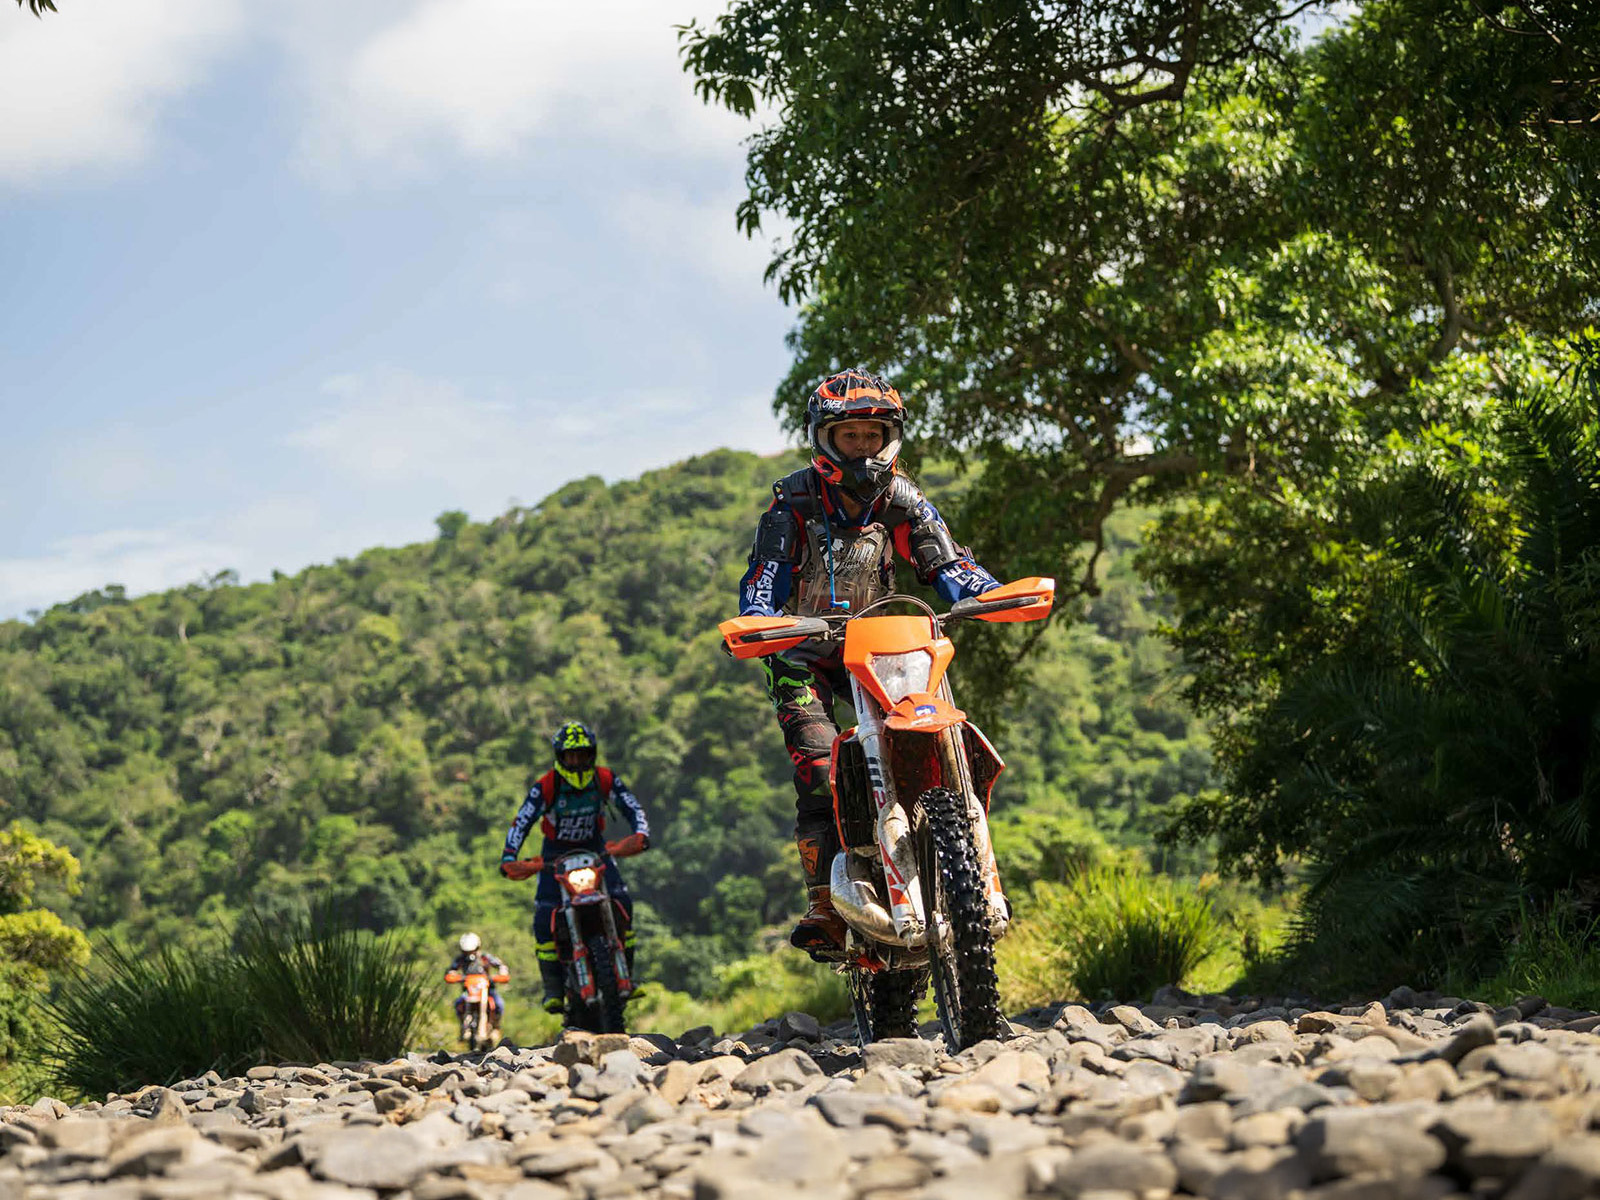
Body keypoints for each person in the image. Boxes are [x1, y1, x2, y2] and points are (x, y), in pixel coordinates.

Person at [736, 368, 1001, 955]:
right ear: (824, 439)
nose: (861, 447)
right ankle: (824, 904)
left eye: (872, 435)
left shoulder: (902, 499)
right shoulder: (792, 503)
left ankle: (965, 869)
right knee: (817, 766)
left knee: (926, 733)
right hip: (799, 650)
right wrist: (758, 617)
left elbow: (946, 563)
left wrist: (986, 593)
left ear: (890, 438)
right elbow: (765, 576)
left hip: (877, 643)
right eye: (849, 435)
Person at [499, 720, 651, 1013]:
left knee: (622, 902)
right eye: (571, 756)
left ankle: (626, 975)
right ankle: (553, 989)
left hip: (595, 850)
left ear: (592, 754)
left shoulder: (604, 779)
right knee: (544, 917)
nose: (577, 761)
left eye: (582, 755)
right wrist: (509, 856)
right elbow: (522, 821)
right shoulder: (547, 786)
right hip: (555, 855)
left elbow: (632, 806)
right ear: (560, 757)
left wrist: (641, 833)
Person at [444, 932, 509, 1032]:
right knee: (458, 1004)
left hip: (487, 990)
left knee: (499, 1004)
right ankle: (463, 1026)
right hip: (469, 991)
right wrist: (456, 977)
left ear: (477, 948)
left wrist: (501, 974)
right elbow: (451, 971)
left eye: (471, 951)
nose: (469, 954)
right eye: (466, 952)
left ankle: (495, 1026)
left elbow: (500, 966)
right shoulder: (460, 960)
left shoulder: (485, 957)